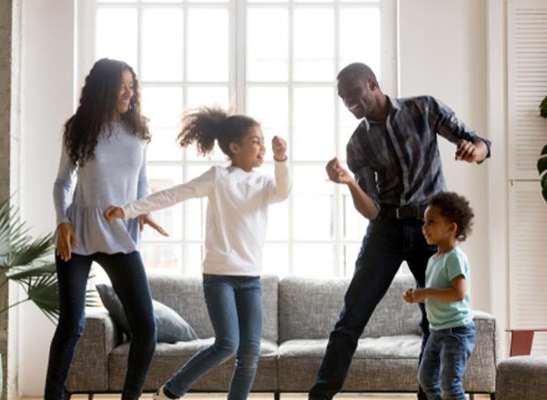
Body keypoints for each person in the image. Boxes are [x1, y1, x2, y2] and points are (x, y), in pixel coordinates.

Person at [309, 62, 491, 400]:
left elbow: (479, 143)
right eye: (343, 99)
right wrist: (349, 182)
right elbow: (372, 210)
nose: (349, 103)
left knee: (433, 320)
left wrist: (474, 151)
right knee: (351, 317)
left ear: (373, 84)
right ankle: (319, 396)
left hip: (430, 229)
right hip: (386, 230)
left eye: (354, 94)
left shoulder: (423, 108)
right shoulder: (359, 143)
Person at [103, 107, 292, 400]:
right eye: (256, 141)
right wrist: (128, 209)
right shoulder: (218, 177)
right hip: (219, 278)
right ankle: (172, 390)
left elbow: (283, 191)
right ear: (234, 147)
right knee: (228, 344)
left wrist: (281, 160)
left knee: (250, 352)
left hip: (251, 279)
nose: (263, 146)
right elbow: (174, 193)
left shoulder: (264, 182)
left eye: (263, 141)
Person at [45, 58, 167, 400]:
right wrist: (62, 222)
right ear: (103, 88)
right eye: (121, 86)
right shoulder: (79, 128)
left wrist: (142, 210)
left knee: (146, 327)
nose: (129, 93)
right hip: (79, 232)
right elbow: (61, 183)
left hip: (120, 232)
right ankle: (53, 396)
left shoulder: (137, 131)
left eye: (132, 86)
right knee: (72, 325)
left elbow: (141, 181)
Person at [403, 191, 476, 400]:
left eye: (431, 222)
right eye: (424, 222)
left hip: (456, 332)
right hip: (437, 331)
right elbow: (437, 293)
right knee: (426, 380)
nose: (424, 228)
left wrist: (425, 292)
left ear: (451, 228)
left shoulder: (454, 257)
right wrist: (417, 296)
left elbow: (458, 293)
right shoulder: (434, 259)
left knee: (450, 386)